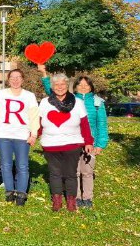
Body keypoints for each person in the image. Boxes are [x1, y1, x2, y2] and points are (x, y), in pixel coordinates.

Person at [39, 65, 109, 208]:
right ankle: (67, 198)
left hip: (84, 140)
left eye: (86, 85)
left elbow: (97, 124)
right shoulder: (59, 100)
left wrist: (98, 143)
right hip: (62, 142)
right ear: (75, 87)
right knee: (66, 172)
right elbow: (51, 93)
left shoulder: (94, 102)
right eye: (80, 85)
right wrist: (44, 73)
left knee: (85, 171)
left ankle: (84, 198)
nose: (83, 87)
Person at [0, 69, 39, 206]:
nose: (15, 80)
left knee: (22, 165)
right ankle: (9, 191)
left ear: (23, 79)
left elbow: (34, 116)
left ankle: (21, 193)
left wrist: (34, 134)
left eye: (18, 77)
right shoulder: (0, 94)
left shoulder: (29, 96)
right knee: (6, 165)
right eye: (12, 78)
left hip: (22, 136)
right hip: (4, 135)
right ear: (8, 80)